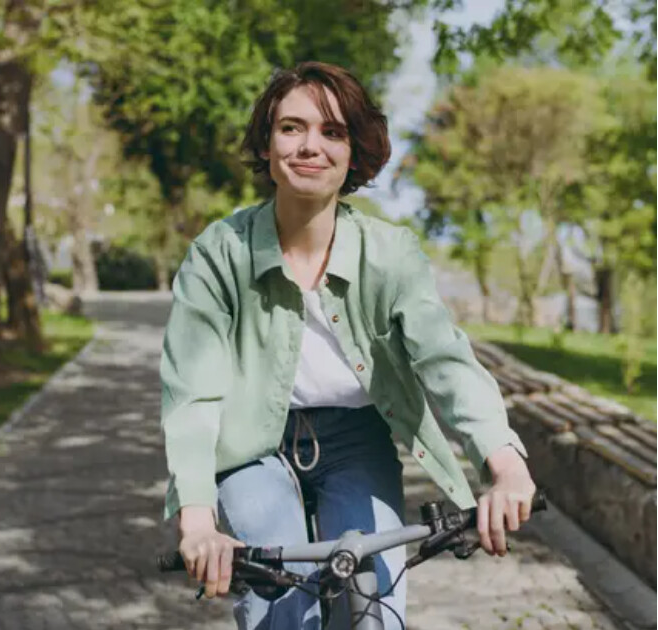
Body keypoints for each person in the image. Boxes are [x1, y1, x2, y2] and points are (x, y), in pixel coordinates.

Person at [159, 61, 537, 630]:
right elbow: (192, 396)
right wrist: (197, 519)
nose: (310, 145)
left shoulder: (391, 255)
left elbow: (445, 361)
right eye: (291, 128)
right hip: (251, 448)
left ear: (353, 153)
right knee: (279, 602)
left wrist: (505, 467)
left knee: (373, 608)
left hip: (356, 439)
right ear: (266, 145)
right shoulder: (220, 254)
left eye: (332, 132)